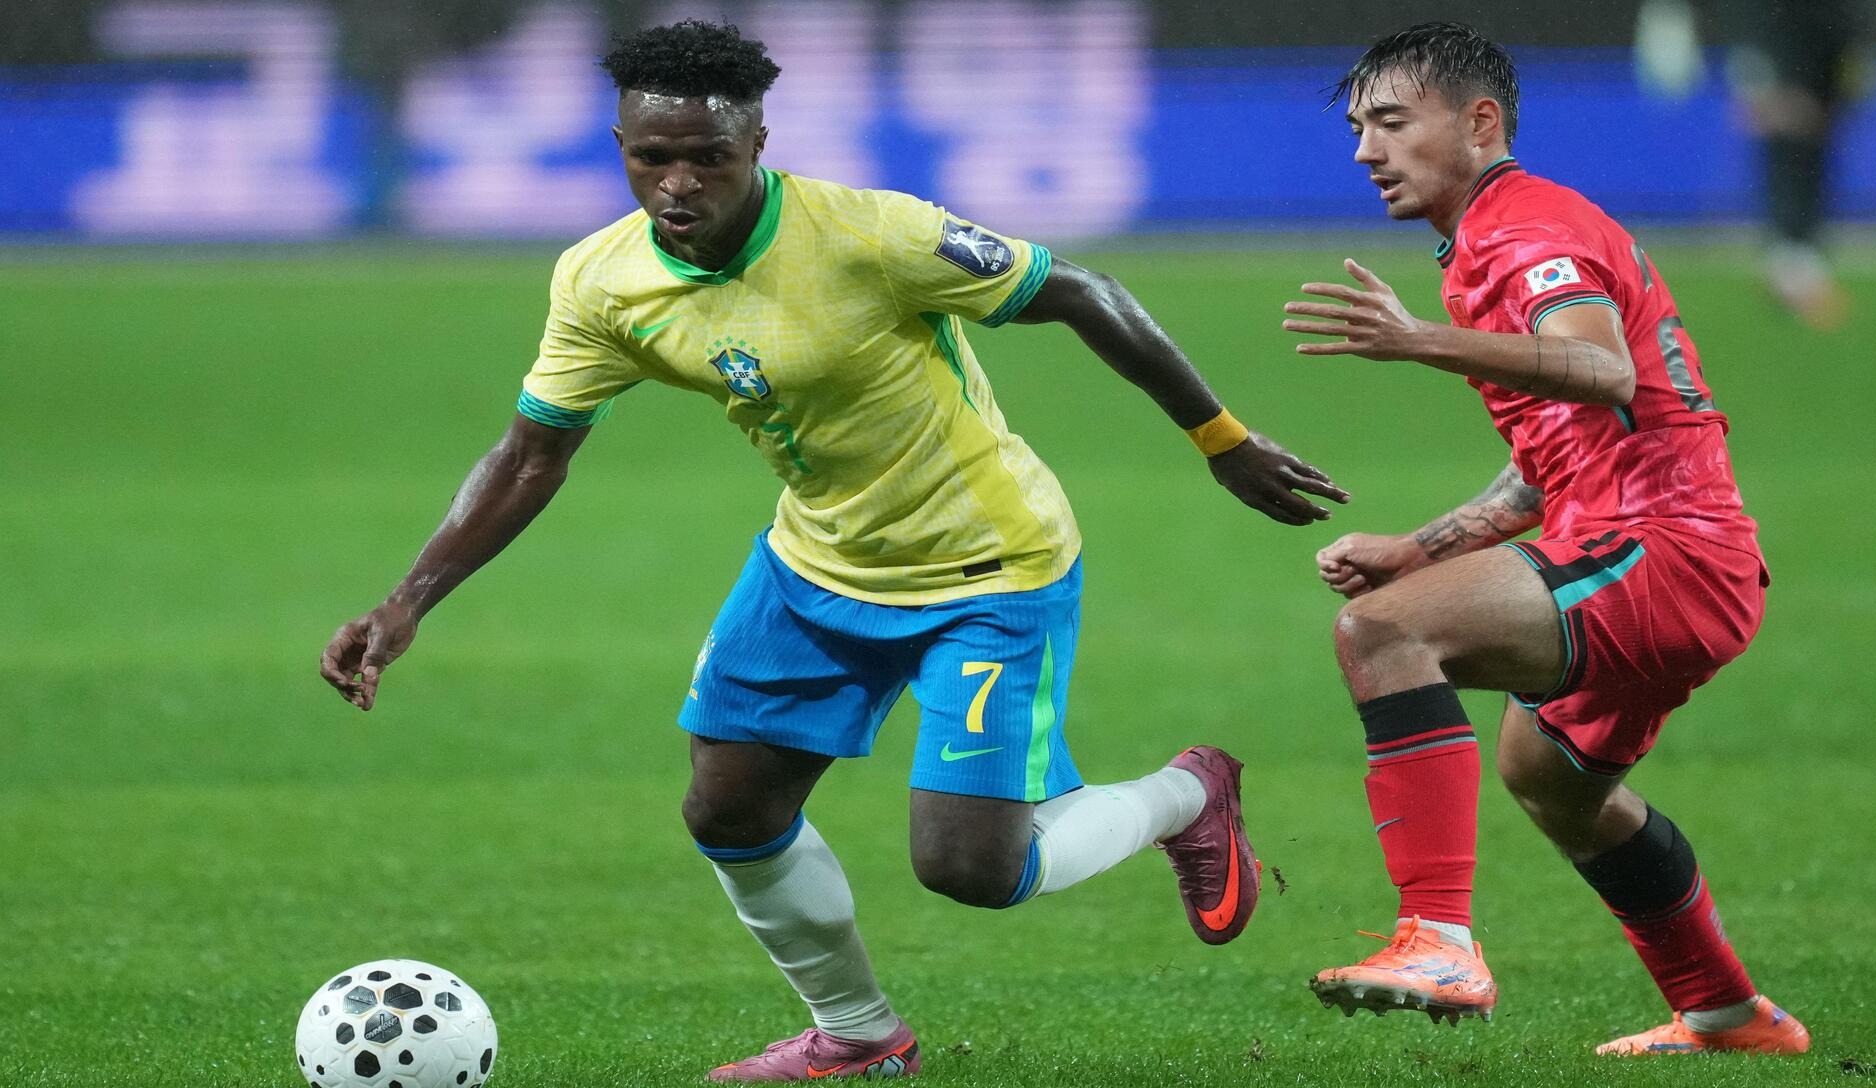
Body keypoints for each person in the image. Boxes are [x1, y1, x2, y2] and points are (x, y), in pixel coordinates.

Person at [320, 19, 1346, 1082]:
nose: (676, 183)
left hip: (985, 570)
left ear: (758, 139)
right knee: (728, 805)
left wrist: (1220, 439)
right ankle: (858, 1031)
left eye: (706, 157)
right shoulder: (602, 281)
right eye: (649, 156)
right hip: (815, 567)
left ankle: (1188, 793)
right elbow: (531, 454)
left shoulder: (871, 235)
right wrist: (407, 602)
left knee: (972, 868)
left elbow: (1079, 291)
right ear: (620, 143)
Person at [1278, 22, 1809, 1057]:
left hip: (1664, 550)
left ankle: (1437, 938)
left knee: (1381, 634)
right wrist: (1423, 545)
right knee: (1551, 776)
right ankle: (1728, 1013)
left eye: (1391, 121)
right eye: (1357, 128)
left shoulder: (1524, 230)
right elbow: (1552, 452)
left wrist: (1418, 339)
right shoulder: (1501, 231)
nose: (1365, 151)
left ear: (1479, 123)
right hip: (1671, 551)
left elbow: (1600, 368)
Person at [1636, 0, 1876, 328]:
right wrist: (1775, 75)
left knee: (1805, 152)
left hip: (1817, 58)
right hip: (1791, 59)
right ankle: (1794, 269)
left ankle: (1795, 267)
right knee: (1792, 150)